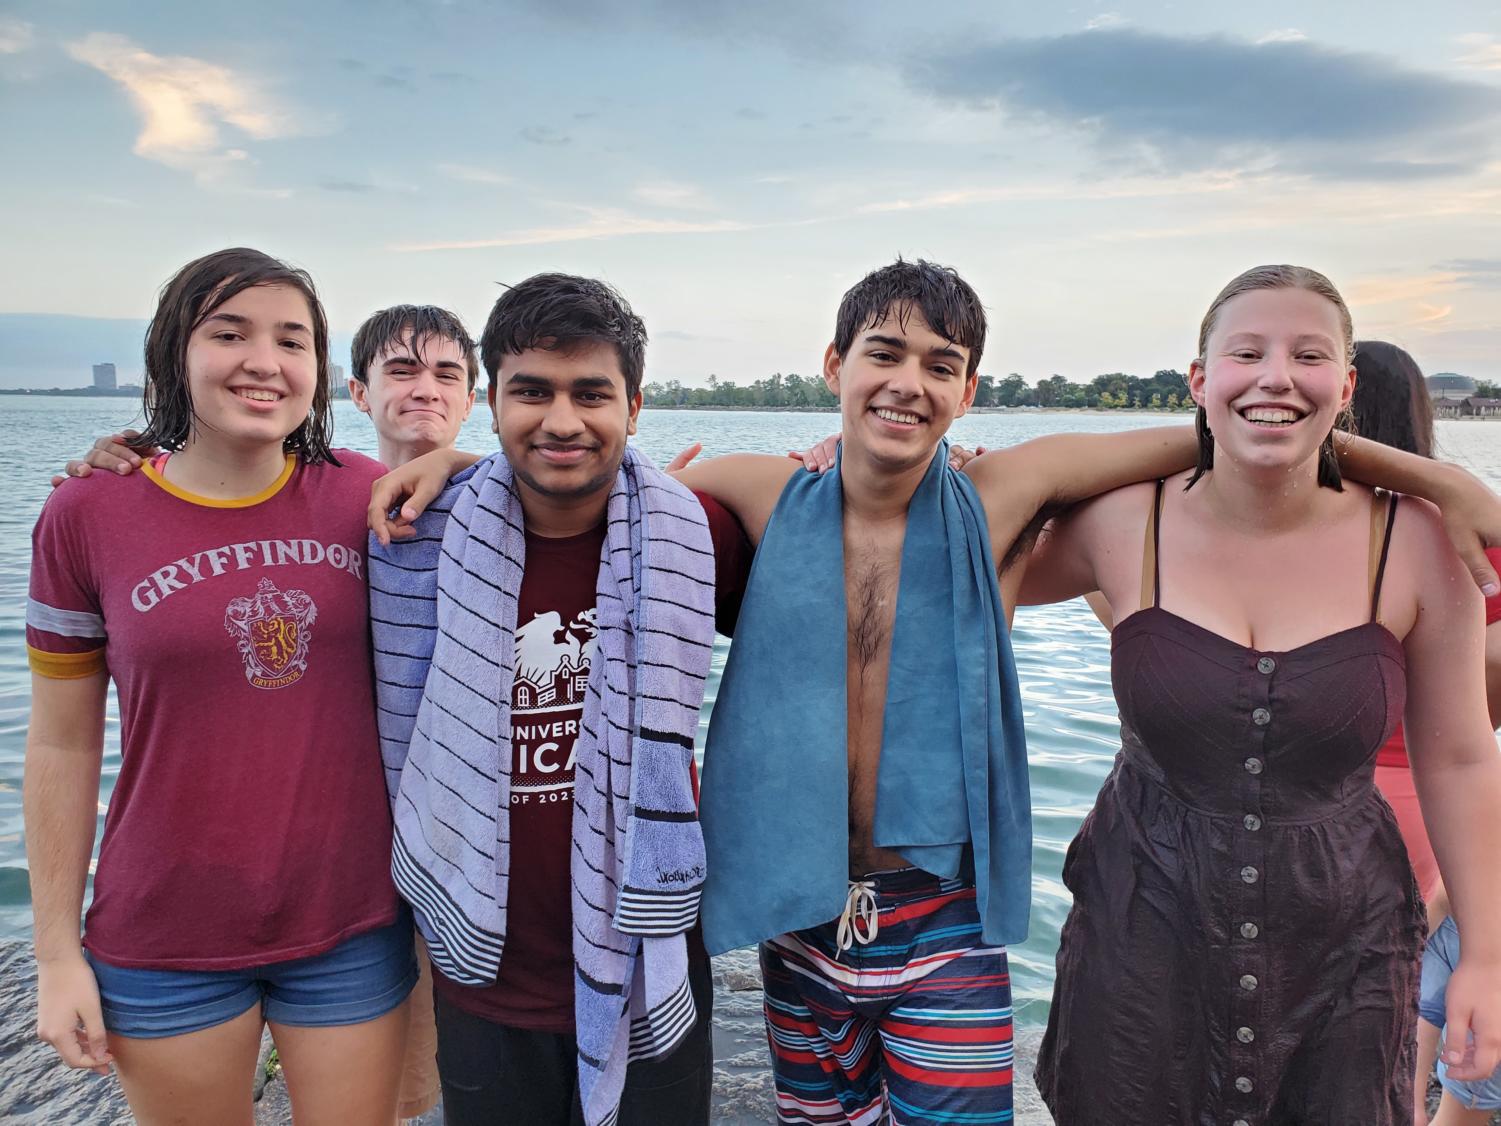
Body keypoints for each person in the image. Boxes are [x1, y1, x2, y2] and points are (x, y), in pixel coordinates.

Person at [375, 258, 1501, 1124]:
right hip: (798, 903)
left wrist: (1428, 474)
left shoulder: (1007, 492)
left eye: (939, 363)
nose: (906, 381)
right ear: (833, 366)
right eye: (883, 352)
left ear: (970, 389)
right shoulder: (760, 489)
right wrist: (456, 465)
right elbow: (588, 470)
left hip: (943, 908)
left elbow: (1241, 432)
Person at [1021, 266, 1501, 1124]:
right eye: (1246, 353)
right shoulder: (1124, 521)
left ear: (1344, 386)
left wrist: (1487, 961)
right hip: (1138, 938)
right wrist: (831, 468)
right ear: (1198, 380)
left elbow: (1461, 759)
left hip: (1345, 954)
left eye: (1307, 356)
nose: (1276, 375)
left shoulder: (1418, 542)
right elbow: (960, 538)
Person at [59, 300, 487, 1123]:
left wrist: (465, 462)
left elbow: (573, 485)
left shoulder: (441, 495)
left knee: (416, 1099)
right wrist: (55, 952)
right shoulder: (95, 510)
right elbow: (63, 740)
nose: (262, 360)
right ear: (356, 390)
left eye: (290, 341)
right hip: (202, 912)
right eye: (227, 335)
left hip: (393, 895)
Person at [368, 273, 752, 1126]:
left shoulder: (696, 537)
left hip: (649, 951)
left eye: (592, 393)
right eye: (531, 391)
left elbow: (851, 537)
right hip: (483, 966)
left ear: (635, 406)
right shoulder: (416, 535)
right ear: (492, 400)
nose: (562, 421)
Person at [1350, 340, 1501, 1126]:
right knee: (1398, 1061)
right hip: (1442, 822)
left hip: (1324, 810)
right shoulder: (1466, 537)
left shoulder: (1309, 539)